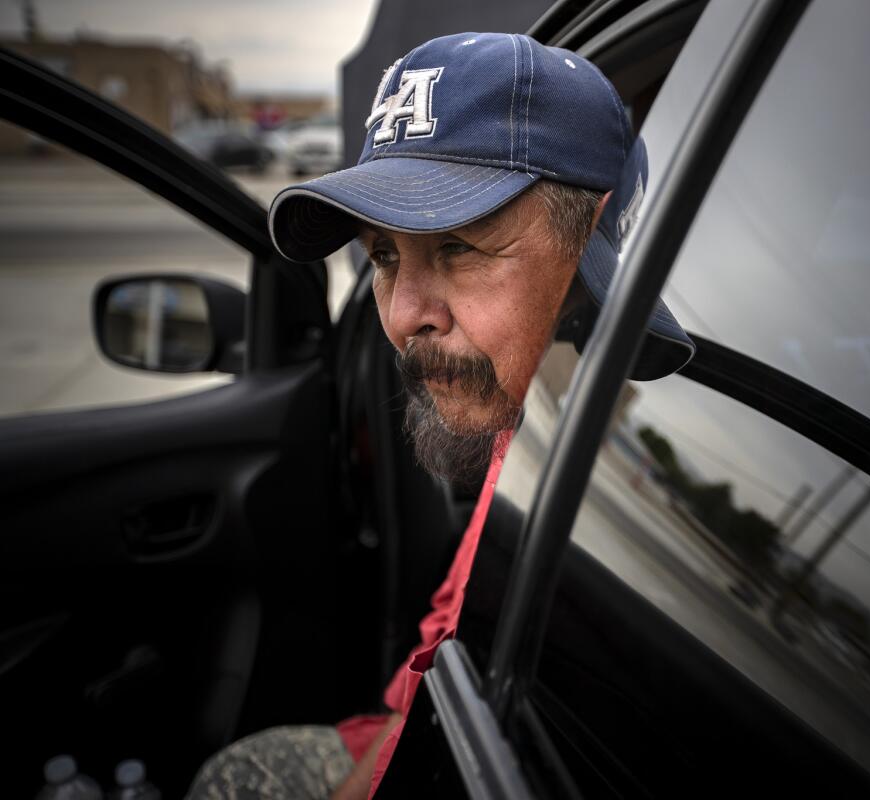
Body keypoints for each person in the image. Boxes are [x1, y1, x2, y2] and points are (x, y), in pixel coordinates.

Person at [185, 31, 693, 800]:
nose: (403, 318)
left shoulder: (627, 469)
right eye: (385, 256)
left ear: (590, 236)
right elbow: (446, 640)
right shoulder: (530, 414)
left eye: (458, 247)